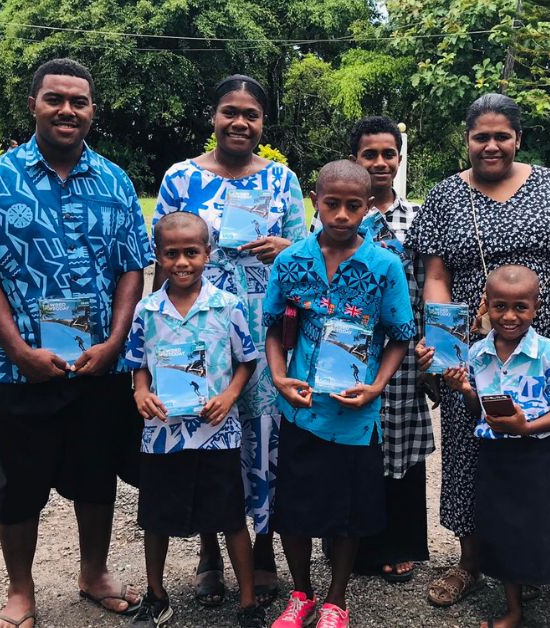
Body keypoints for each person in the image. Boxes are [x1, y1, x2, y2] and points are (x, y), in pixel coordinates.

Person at [0, 58, 153, 628]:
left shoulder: (114, 181)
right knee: (19, 485)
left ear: (92, 111)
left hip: (97, 366)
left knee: (96, 475)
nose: (68, 110)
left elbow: (133, 267)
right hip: (22, 368)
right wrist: (17, 350)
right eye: (55, 99)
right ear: (33, 103)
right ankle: (20, 591)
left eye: (79, 101)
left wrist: (115, 342)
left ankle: (94, 572)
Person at [410, 92, 550, 607]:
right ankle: (471, 561)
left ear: (518, 138)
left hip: (543, 341)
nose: (491, 145)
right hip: (474, 346)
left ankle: (536, 560)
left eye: (501, 136)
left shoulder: (549, 186)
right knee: (471, 443)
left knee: (539, 449)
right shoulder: (445, 196)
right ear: (467, 139)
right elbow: (436, 275)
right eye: (480, 136)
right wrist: (445, 347)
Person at [153, 74, 306, 607]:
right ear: (214, 116)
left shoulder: (282, 180)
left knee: (262, 434)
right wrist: (153, 333)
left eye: (251, 114)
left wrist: (286, 248)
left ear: (263, 122)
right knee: (204, 427)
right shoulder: (180, 177)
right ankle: (210, 551)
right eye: (230, 111)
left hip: (263, 325)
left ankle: (261, 551)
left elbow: (306, 259)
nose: (240, 122)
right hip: (198, 327)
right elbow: (164, 254)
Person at [263, 160, 416, 628]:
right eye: (333, 204)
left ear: (369, 207)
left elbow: (400, 335)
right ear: (316, 201)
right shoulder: (291, 262)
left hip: (355, 414)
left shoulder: (384, 265)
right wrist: (280, 378)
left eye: (354, 205)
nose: (343, 215)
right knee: (294, 508)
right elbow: (271, 328)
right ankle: (301, 593)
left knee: (348, 511)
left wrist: (376, 386)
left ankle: (335, 599)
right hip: (303, 409)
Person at [125, 212, 266, 628]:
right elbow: (139, 364)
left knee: (229, 517)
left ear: (207, 254)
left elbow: (247, 361)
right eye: (171, 254)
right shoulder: (147, 311)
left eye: (191, 252)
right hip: (162, 435)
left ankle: (247, 603)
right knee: (155, 518)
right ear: (158, 256)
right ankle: (156, 596)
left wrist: (229, 396)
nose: (182, 262)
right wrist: (140, 391)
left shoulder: (227, 306)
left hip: (217, 434)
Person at [320, 116, 433, 583]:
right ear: (355, 160)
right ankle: (348, 544)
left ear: (399, 159)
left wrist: (432, 342)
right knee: (350, 442)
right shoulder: (337, 212)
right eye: (370, 154)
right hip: (345, 351)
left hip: (402, 352)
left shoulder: (417, 218)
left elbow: (429, 283)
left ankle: (396, 543)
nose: (381, 162)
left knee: (399, 446)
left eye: (389, 154)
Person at [442, 265, 550, 628]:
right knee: (504, 534)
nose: (509, 316)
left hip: (535, 459)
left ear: (536, 307)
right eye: (500, 306)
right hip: (494, 459)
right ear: (486, 304)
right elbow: (477, 409)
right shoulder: (477, 354)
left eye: (521, 307)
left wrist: (525, 426)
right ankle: (514, 610)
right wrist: (465, 391)